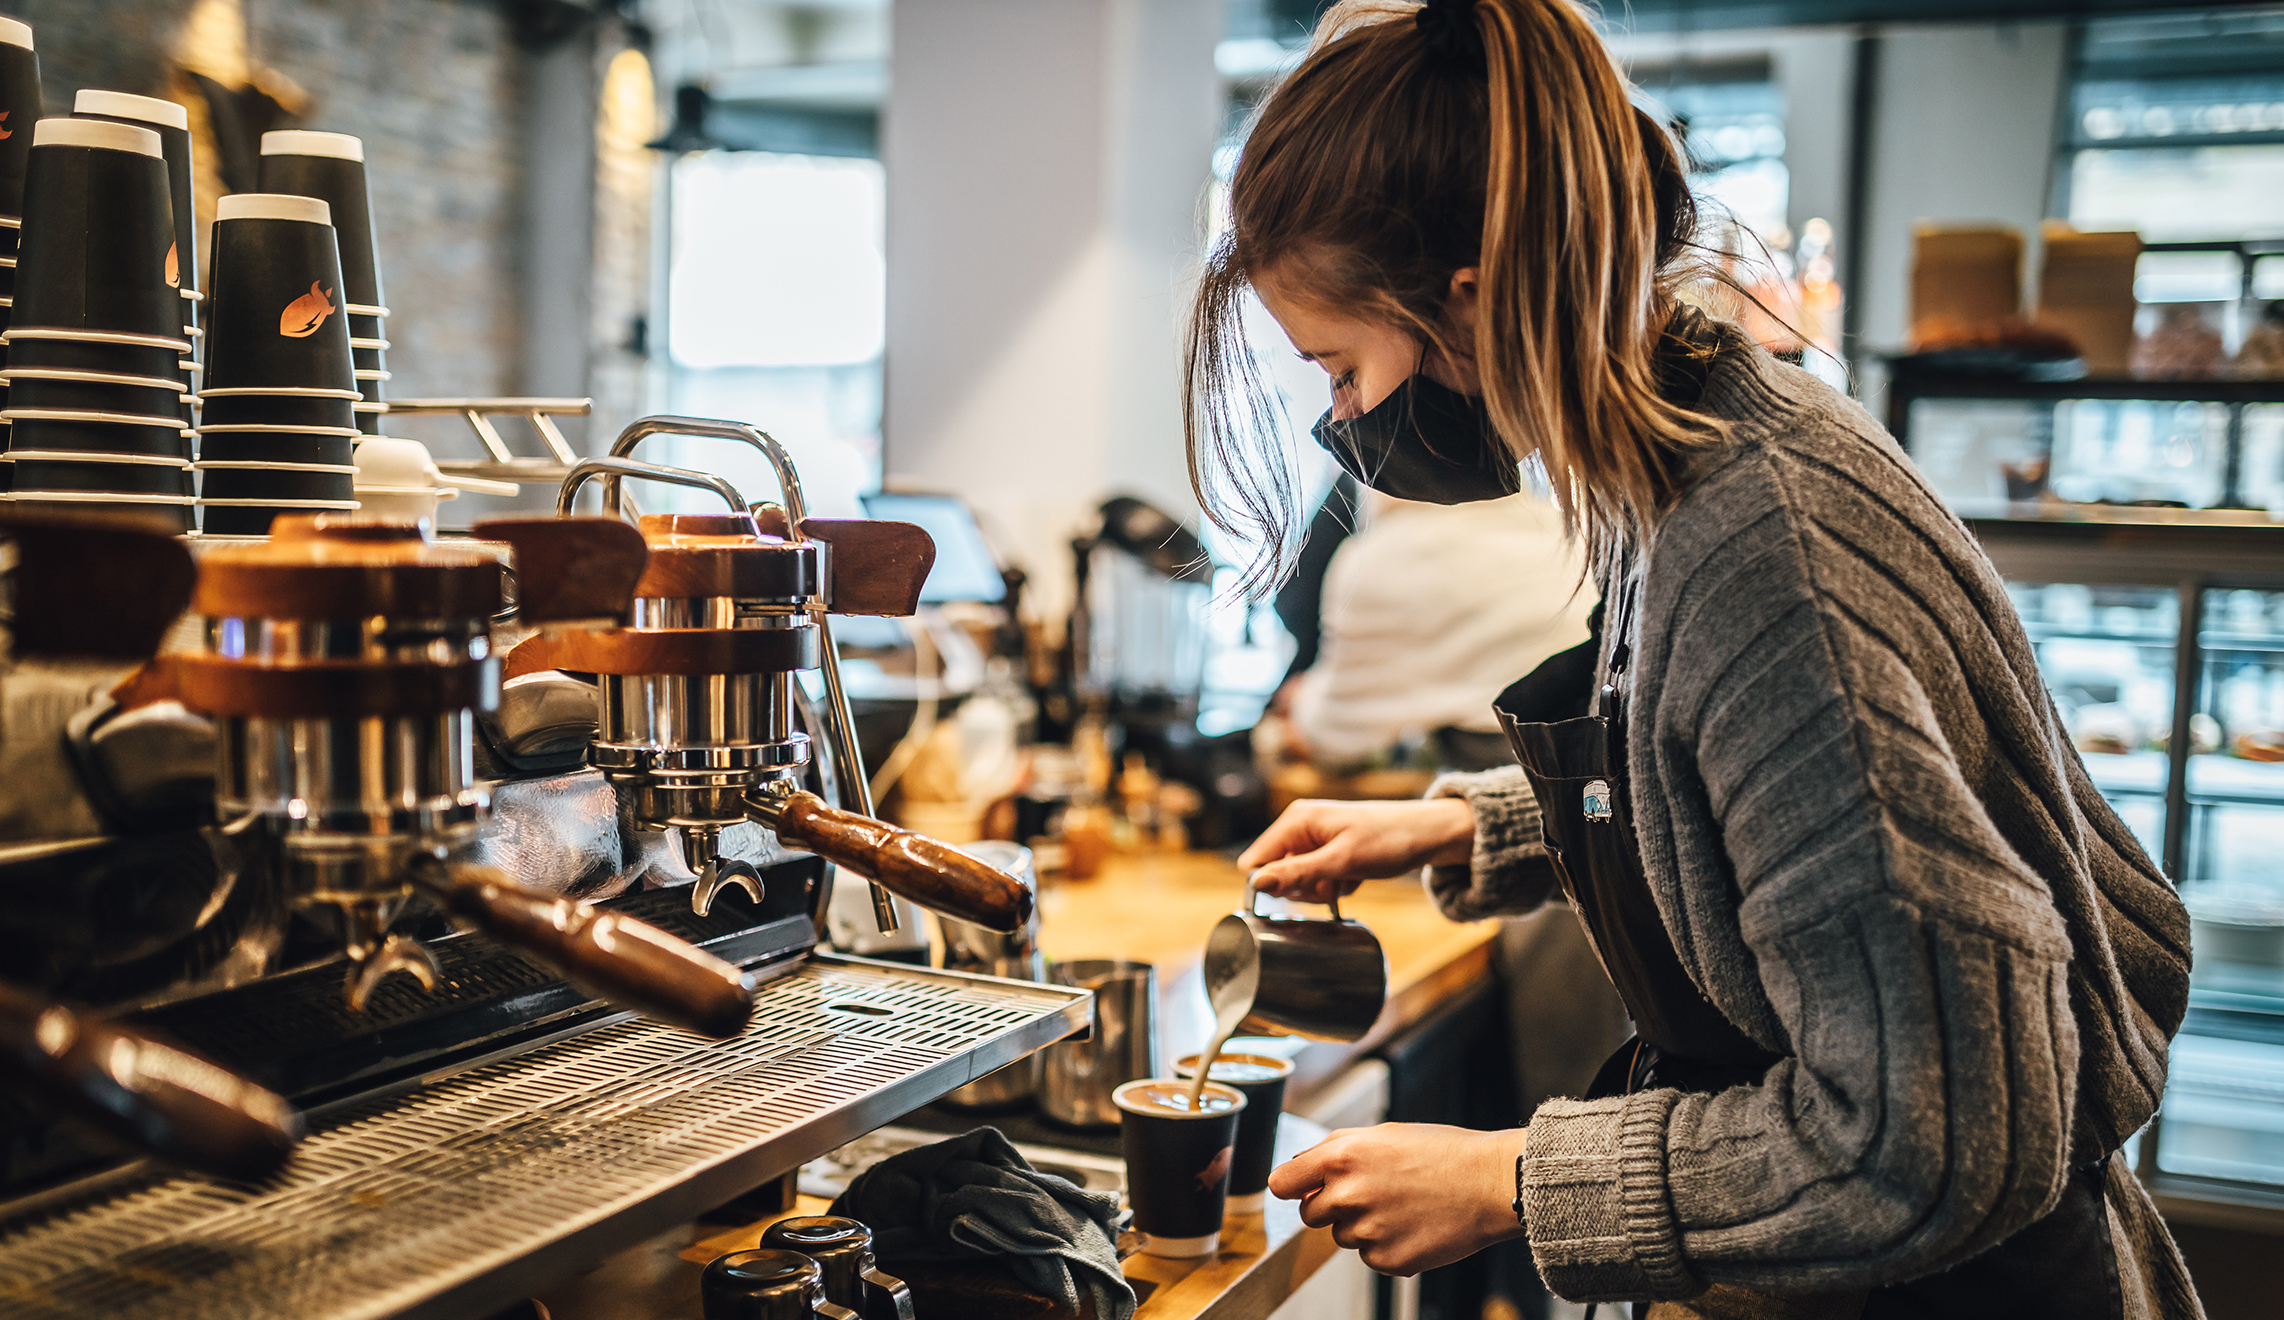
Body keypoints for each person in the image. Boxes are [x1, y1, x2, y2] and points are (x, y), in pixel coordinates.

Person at [1182, 2, 2201, 1316]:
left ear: (1473, 303)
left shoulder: (1769, 555)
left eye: (1340, 367)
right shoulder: (1685, 450)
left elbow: (1925, 1134)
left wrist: (1509, 1181)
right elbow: (1746, 797)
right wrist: (1460, 828)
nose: (1343, 421)